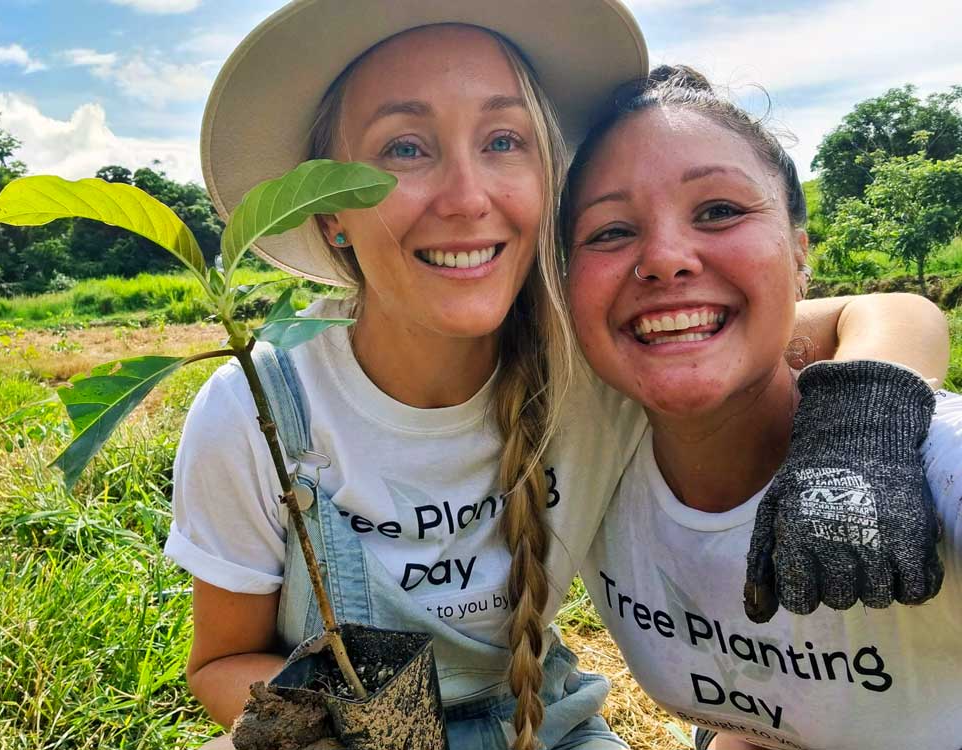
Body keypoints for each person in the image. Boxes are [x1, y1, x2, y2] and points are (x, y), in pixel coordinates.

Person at [170, 1, 949, 746]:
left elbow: (882, 313)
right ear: (329, 208)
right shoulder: (262, 411)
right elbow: (219, 660)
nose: (467, 197)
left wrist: (859, 427)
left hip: (546, 726)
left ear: (546, 180)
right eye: (405, 148)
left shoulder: (599, 365)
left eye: (504, 141)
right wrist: (347, 734)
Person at [564, 66, 960, 750]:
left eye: (718, 211)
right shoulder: (584, 456)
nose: (665, 259)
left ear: (799, 256)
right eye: (609, 231)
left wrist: (861, 423)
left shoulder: (928, 465)